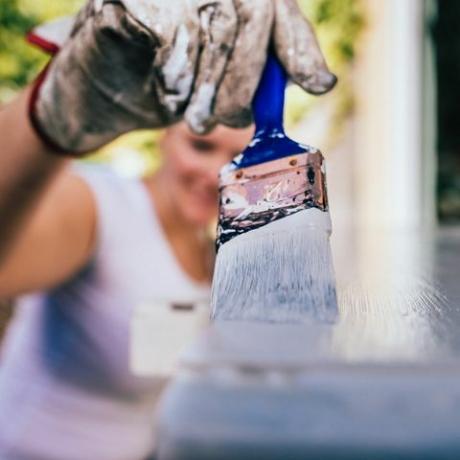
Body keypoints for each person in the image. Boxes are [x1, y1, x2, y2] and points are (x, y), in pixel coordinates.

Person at [0, 0, 336, 459]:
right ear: (163, 136)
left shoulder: (227, 256)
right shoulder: (100, 208)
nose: (217, 176)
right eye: (201, 146)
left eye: (236, 160)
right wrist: (46, 121)